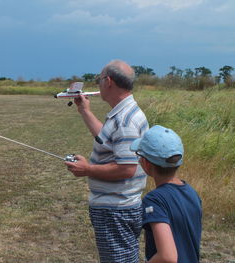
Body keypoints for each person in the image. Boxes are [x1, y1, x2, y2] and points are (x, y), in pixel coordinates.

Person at [65, 59, 149, 262]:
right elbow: (107, 139)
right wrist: (84, 110)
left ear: (108, 81)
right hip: (118, 207)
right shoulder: (124, 113)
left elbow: (126, 169)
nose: (98, 84)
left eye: (98, 79)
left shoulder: (125, 120)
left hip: (116, 210)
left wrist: (87, 169)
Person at [130, 125, 202, 263]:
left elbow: (167, 256)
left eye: (139, 156)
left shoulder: (154, 200)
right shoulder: (192, 193)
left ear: (146, 163)